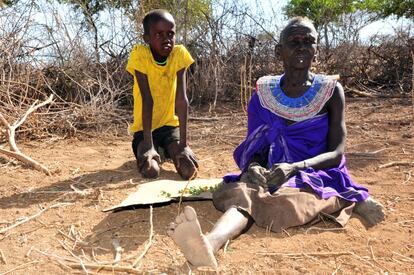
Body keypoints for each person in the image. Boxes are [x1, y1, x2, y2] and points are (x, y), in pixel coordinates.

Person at [167, 17, 385, 268]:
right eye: (294, 42)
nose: (302, 47)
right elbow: (257, 146)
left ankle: (349, 199)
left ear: (317, 48)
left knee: (286, 200)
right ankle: (209, 244)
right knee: (242, 191)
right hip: (274, 172)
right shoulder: (264, 93)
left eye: (308, 41)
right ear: (279, 51)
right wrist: (255, 167)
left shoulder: (331, 91)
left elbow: (336, 153)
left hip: (317, 174)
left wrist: (295, 168)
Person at [126, 9, 198, 180]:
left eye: (170, 33)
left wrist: (184, 144)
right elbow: (147, 99)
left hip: (169, 128)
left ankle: (167, 149)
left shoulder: (179, 54)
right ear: (147, 38)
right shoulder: (140, 55)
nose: (166, 39)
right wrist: (148, 145)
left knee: (188, 171)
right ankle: (154, 148)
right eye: (159, 34)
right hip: (145, 130)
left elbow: (181, 100)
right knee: (151, 171)